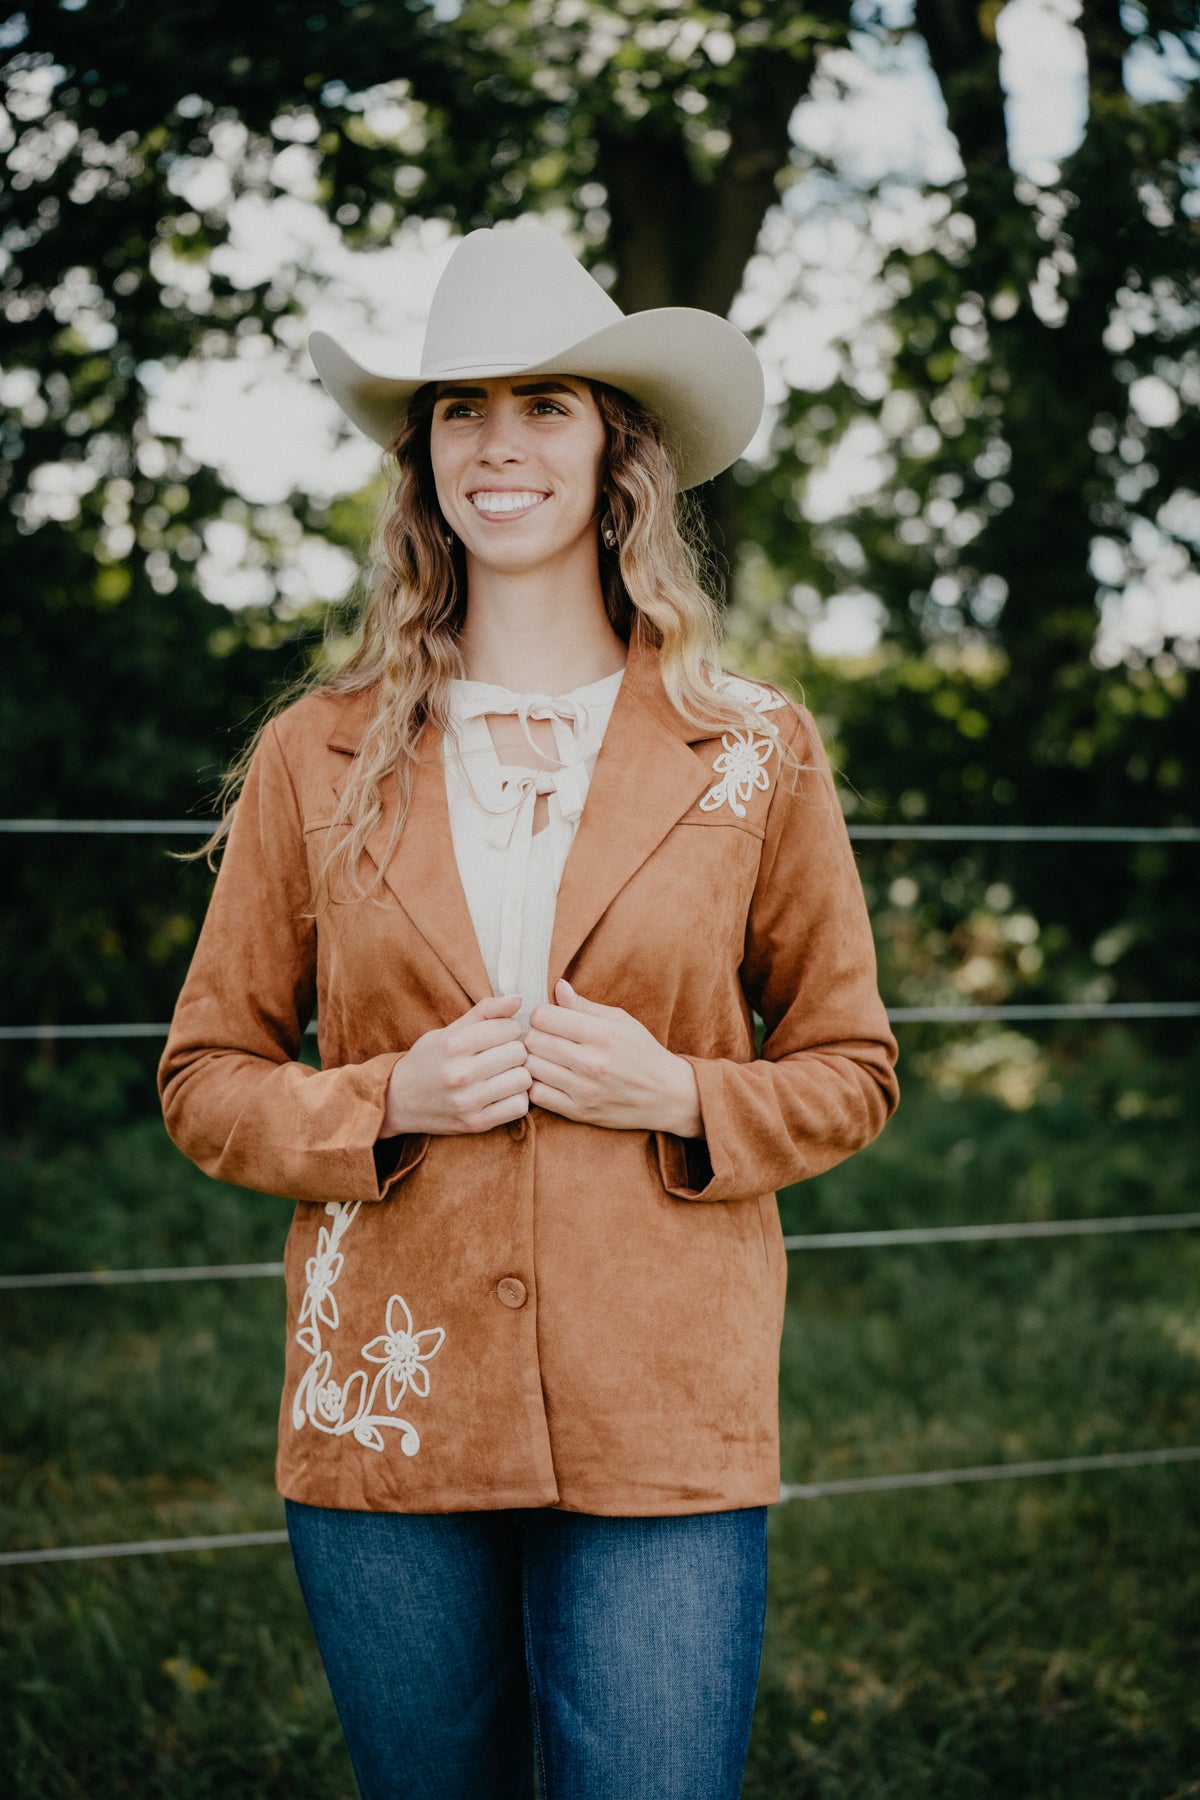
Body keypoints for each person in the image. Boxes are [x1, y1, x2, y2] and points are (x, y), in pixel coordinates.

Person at [158, 223, 899, 1800]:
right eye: (459, 408)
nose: (499, 441)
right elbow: (207, 1076)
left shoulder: (754, 747)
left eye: (546, 403)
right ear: (423, 460)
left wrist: (685, 1095)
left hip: (666, 1409)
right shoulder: (317, 752)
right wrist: (384, 1102)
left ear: (616, 449)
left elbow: (852, 1067)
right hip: (387, 1397)